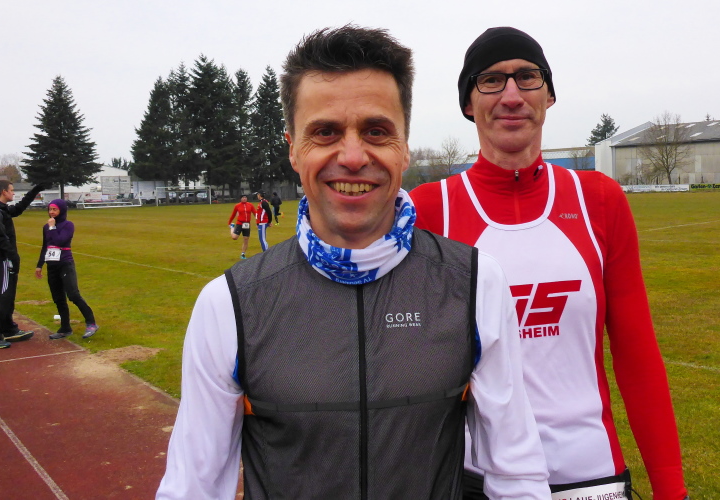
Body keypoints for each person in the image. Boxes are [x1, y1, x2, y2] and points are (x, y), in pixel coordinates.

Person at [157, 25, 549, 500]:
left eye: (376, 131)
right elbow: (192, 488)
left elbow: (517, 473)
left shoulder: (475, 283)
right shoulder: (228, 304)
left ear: (404, 146)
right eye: (325, 132)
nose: (353, 156)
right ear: (293, 148)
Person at [410, 27, 689, 500]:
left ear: (549, 96)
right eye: (491, 80)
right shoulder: (429, 209)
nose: (512, 96)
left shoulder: (599, 199)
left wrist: (671, 490)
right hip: (480, 481)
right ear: (467, 103)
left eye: (527, 77)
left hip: (591, 475)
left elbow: (638, 355)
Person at [0, 179, 46, 348]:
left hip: (6, 259)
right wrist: (13, 257)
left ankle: (9, 329)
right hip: (1, 260)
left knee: (8, 296)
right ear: (4, 192)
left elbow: (18, 208)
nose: (13, 193)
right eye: (11, 190)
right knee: (2, 296)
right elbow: (0, 239)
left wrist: (35, 190)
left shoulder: (2, 209)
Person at [34, 199, 99, 340]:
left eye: (55, 209)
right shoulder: (46, 227)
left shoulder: (68, 225)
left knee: (73, 295)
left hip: (65, 263)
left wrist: (52, 228)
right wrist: (39, 265)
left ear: (61, 210)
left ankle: (91, 323)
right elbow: (45, 246)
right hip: (52, 265)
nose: (51, 212)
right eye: (50, 209)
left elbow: (60, 241)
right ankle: (65, 328)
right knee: (58, 298)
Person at [227, 194, 255, 259]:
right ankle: (232, 227)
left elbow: (255, 213)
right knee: (234, 237)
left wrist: (258, 221)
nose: (244, 199)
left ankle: (243, 254)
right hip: (240, 223)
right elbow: (233, 214)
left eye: (245, 197)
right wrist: (229, 222)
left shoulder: (250, 205)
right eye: (243, 197)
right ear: (240, 199)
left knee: (246, 239)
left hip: (247, 224)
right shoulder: (237, 206)